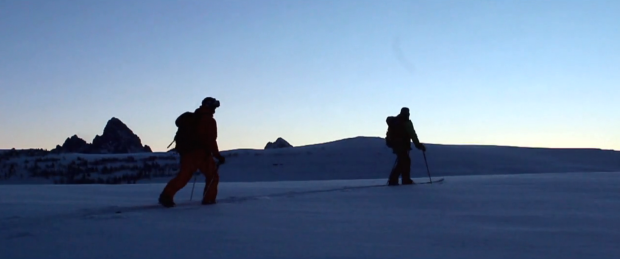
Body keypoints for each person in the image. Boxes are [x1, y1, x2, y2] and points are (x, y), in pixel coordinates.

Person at [159, 97, 226, 207]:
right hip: (201, 154)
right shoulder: (209, 120)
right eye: (214, 106)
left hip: (187, 153)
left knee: (183, 177)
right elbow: (211, 140)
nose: (215, 109)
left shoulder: (194, 117)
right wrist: (217, 156)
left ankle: (166, 195)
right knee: (213, 176)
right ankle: (208, 200)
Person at [385, 107, 426, 185]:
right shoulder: (406, 122)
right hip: (403, 145)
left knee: (404, 161)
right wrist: (418, 145)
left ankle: (401, 180)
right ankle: (399, 180)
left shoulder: (394, 122)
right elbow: (412, 134)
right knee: (404, 162)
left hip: (395, 145)